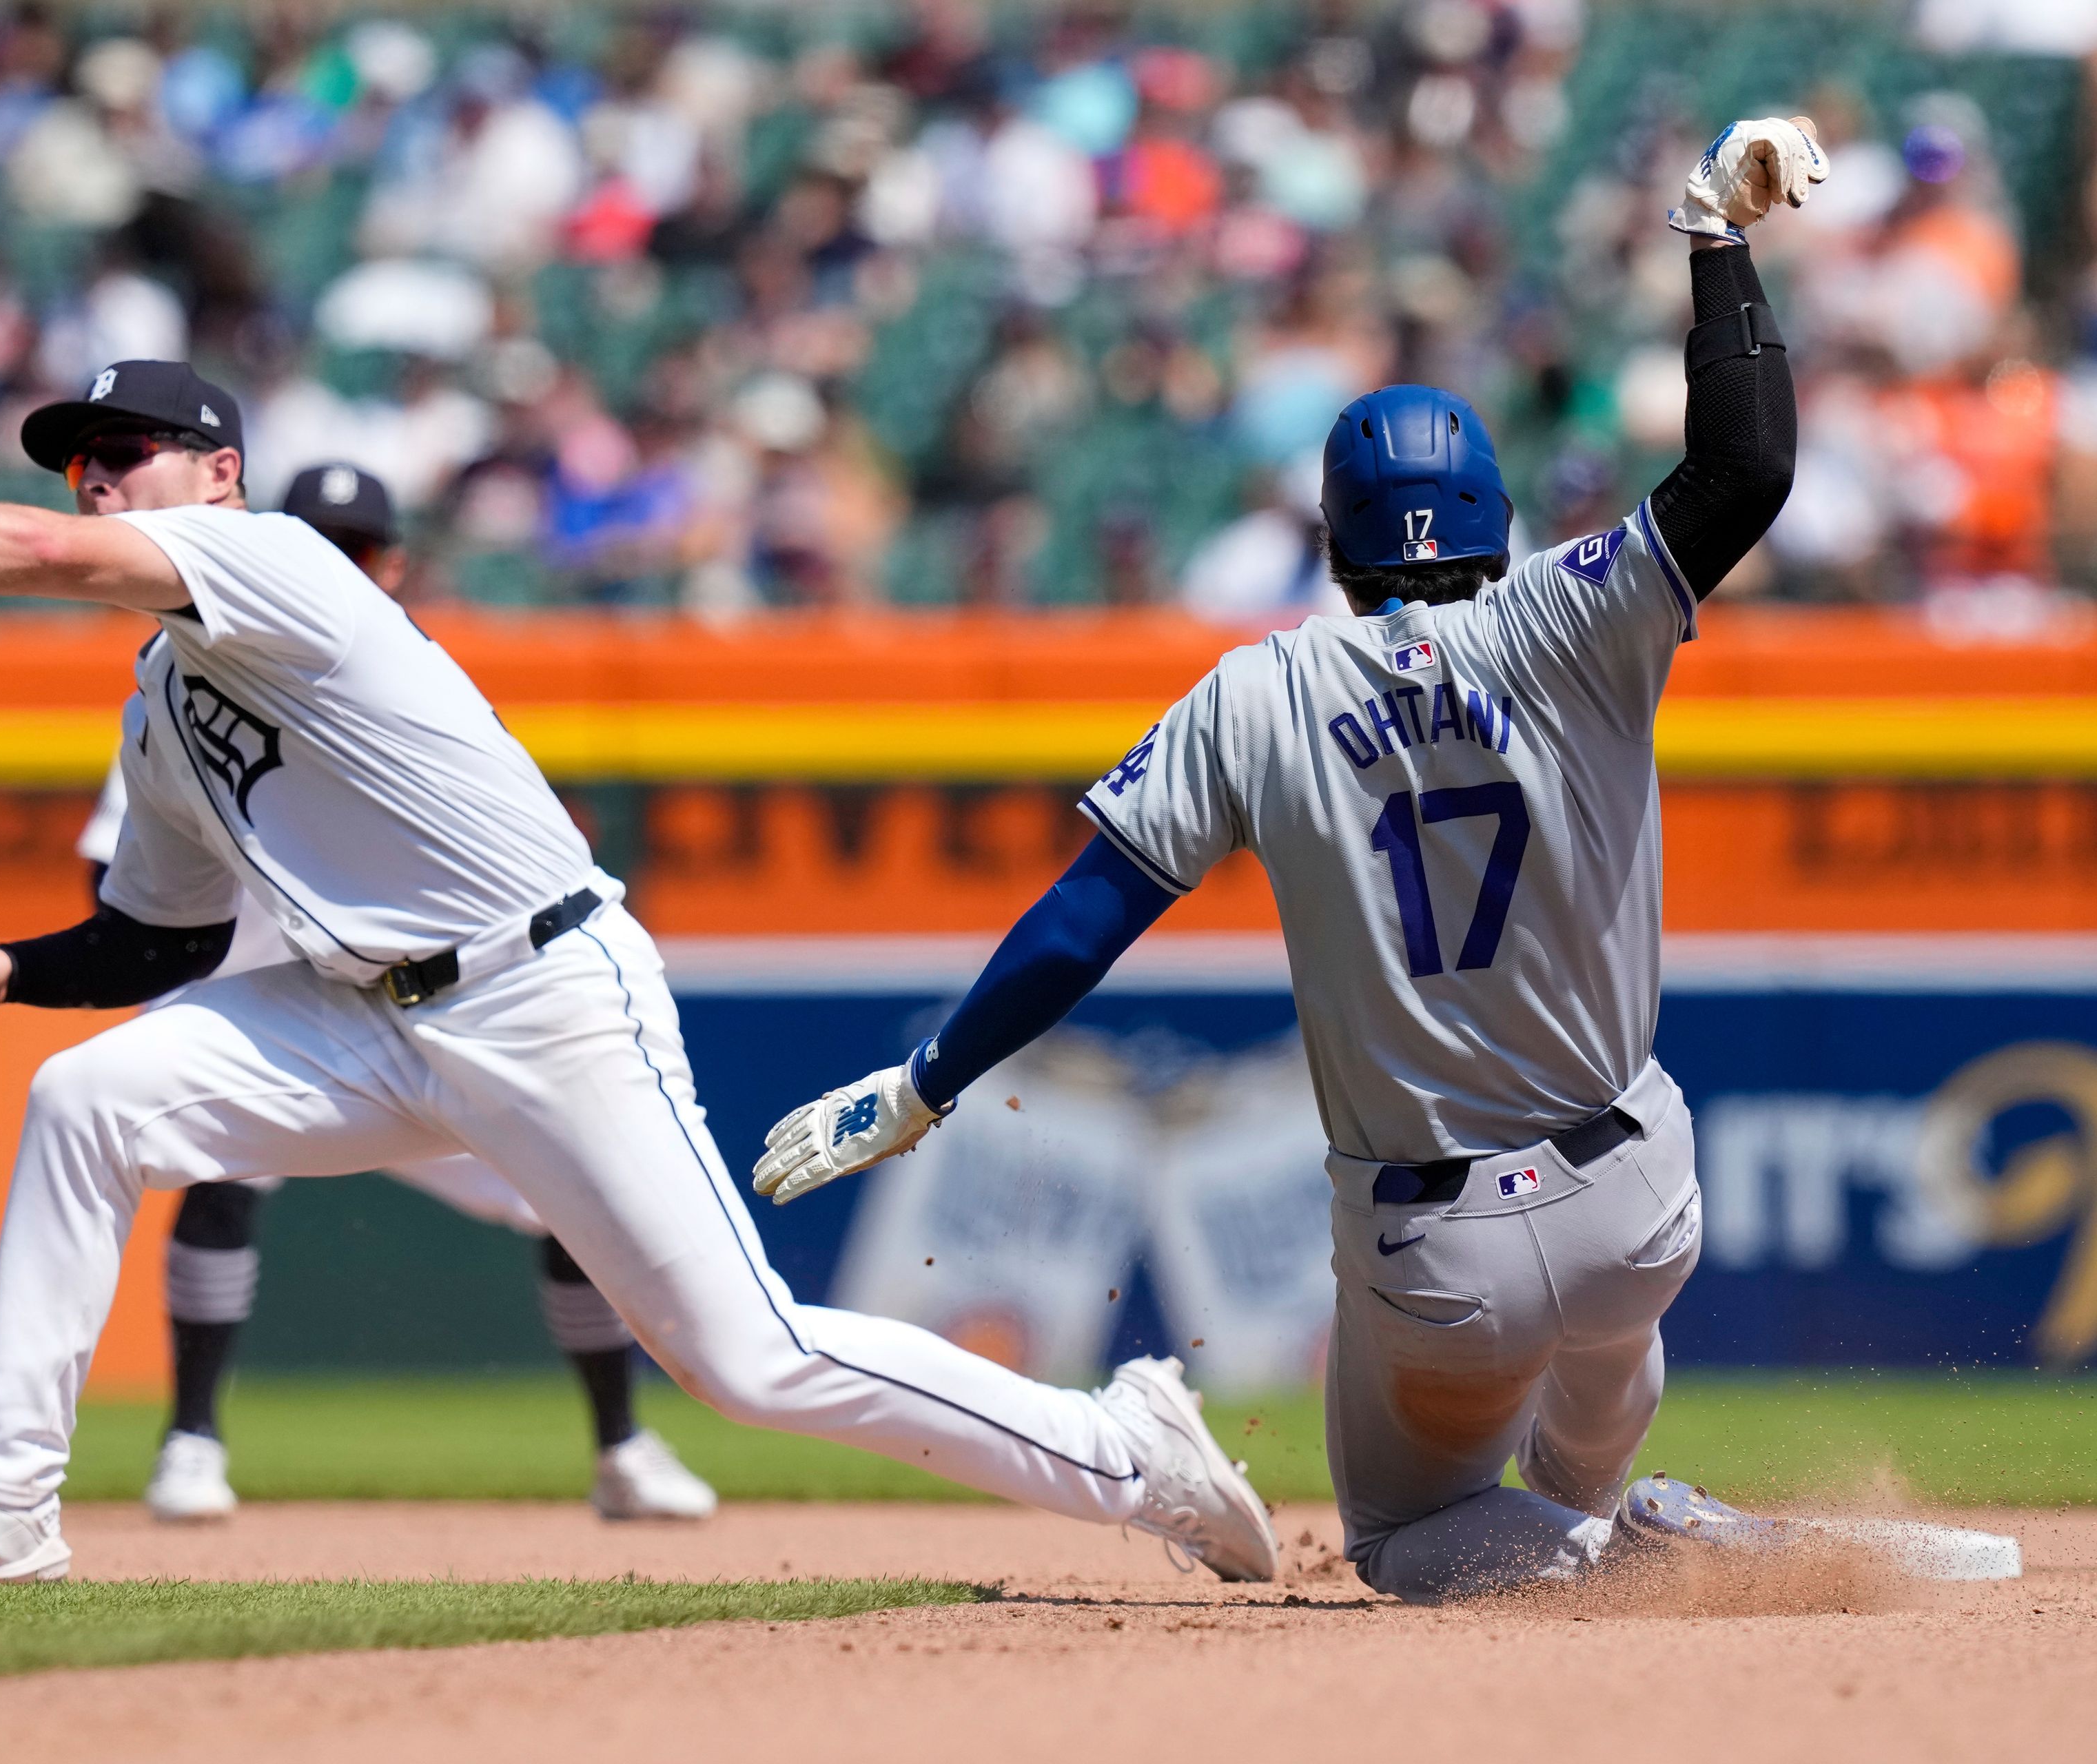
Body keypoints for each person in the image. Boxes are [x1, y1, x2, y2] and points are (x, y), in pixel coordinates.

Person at [0, 357, 1273, 1582]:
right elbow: (158, 939)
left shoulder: (275, 561)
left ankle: (1126, 1448)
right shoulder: (165, 708)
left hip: (545, 991)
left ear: (221, 474)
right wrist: (12, 959)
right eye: (79, 459)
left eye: (130, 450)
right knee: (87, 1097)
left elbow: (38, 556)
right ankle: (3, 1506)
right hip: (368, 1015)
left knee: (749, 1360)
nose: (97, 477)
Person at [752, 117, 1826, 1603]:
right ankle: (1625, 1511)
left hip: (1438, 1244)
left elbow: (1082, 922)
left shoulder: (1259, 688)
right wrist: (1717, 238)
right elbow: (1749, 463)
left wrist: (927, 1083)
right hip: (1639, 1193)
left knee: (1405, 1535)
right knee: (1605, 1325)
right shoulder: (1577, 618)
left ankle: (1599, 1551)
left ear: (1337, 536)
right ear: (1492, 517)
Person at [74, 461, 716, 1524]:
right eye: (315, 542)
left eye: (356, 548)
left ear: (395, 564)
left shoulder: (414, 682)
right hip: (275, 1005)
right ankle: (191, 1439)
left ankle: (623, 1446)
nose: (335, 563)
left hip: (442, 1008)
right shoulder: (187, 679)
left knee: (569, 1197)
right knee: (211, 1174)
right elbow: (119, 876)